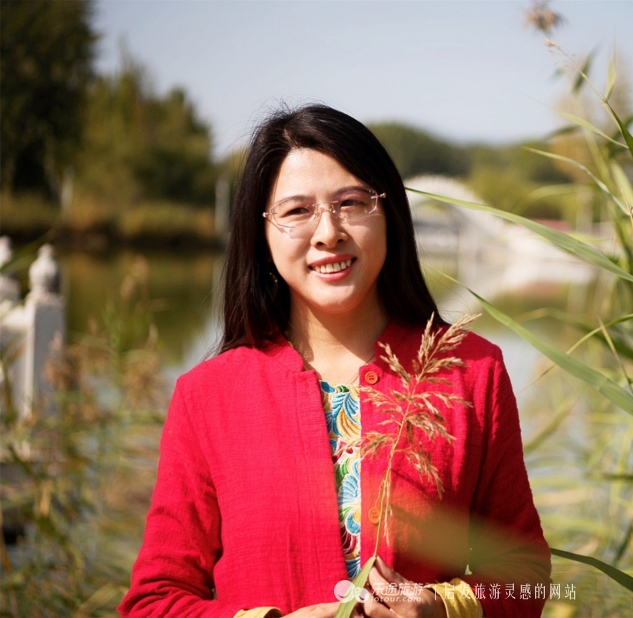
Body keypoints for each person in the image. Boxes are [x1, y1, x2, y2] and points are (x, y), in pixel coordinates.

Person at [119, 104, 550, 618]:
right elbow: (153, 602)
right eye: (296, 211)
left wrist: (441, 608)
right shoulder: (208, 396)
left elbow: (525, 576)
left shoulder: (471, 373)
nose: (328, 232)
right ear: (262, 233)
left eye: (351, 203)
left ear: (389, 214)